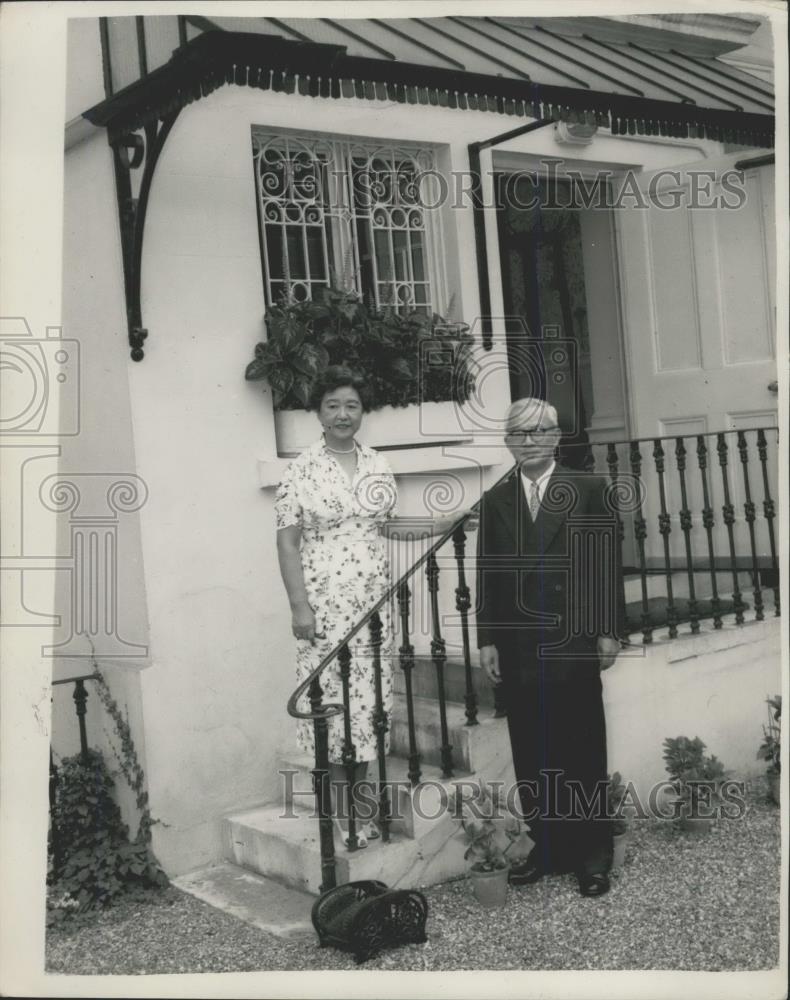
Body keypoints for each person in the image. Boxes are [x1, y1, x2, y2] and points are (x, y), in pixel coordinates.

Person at [275, 365, 473, 849]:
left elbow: (388, 524)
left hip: (371, 609)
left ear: (362, 412)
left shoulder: (377, 465)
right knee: (333, 711)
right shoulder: (300, 469)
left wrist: (441, 521)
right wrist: (300, 608)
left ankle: (359, 811)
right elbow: (286, 543)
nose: (343, 414)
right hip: (323, 608)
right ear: (318, 413)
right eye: (333, 406)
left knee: (367, 712)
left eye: (352, 406)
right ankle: (342, 818)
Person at [475, 397, 624, 897]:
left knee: (581, 747)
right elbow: (489, 574)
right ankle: (549, 845)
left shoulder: (587, 488)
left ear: (557, 437)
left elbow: (605, 563)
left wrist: (608, 629)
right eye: (519, 432)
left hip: (573, 639)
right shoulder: (497, 499)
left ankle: (591, 854)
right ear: (507, 440)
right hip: (518, 645)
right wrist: (488, 638)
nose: (530, 439)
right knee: (532, 747)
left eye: (540, 431)